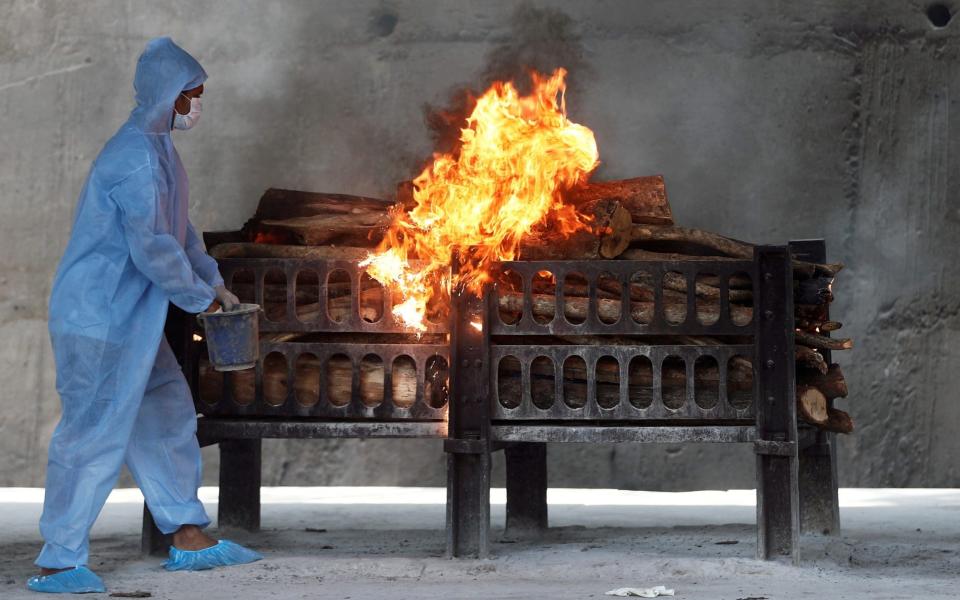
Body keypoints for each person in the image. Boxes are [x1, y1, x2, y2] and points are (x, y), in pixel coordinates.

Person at [27, 37, 260, 594]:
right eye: (192, 95)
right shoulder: (132, 158)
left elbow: (183, 235)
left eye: (200, 95)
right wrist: (201, 300)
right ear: (167, 96)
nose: (197, 105)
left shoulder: (160, 153)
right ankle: (59, 559)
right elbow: (153, 248)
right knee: (91, 436)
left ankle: (186, 533)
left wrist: (216, 286)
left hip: (134, 320)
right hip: (100, 319)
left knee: (165, 412)